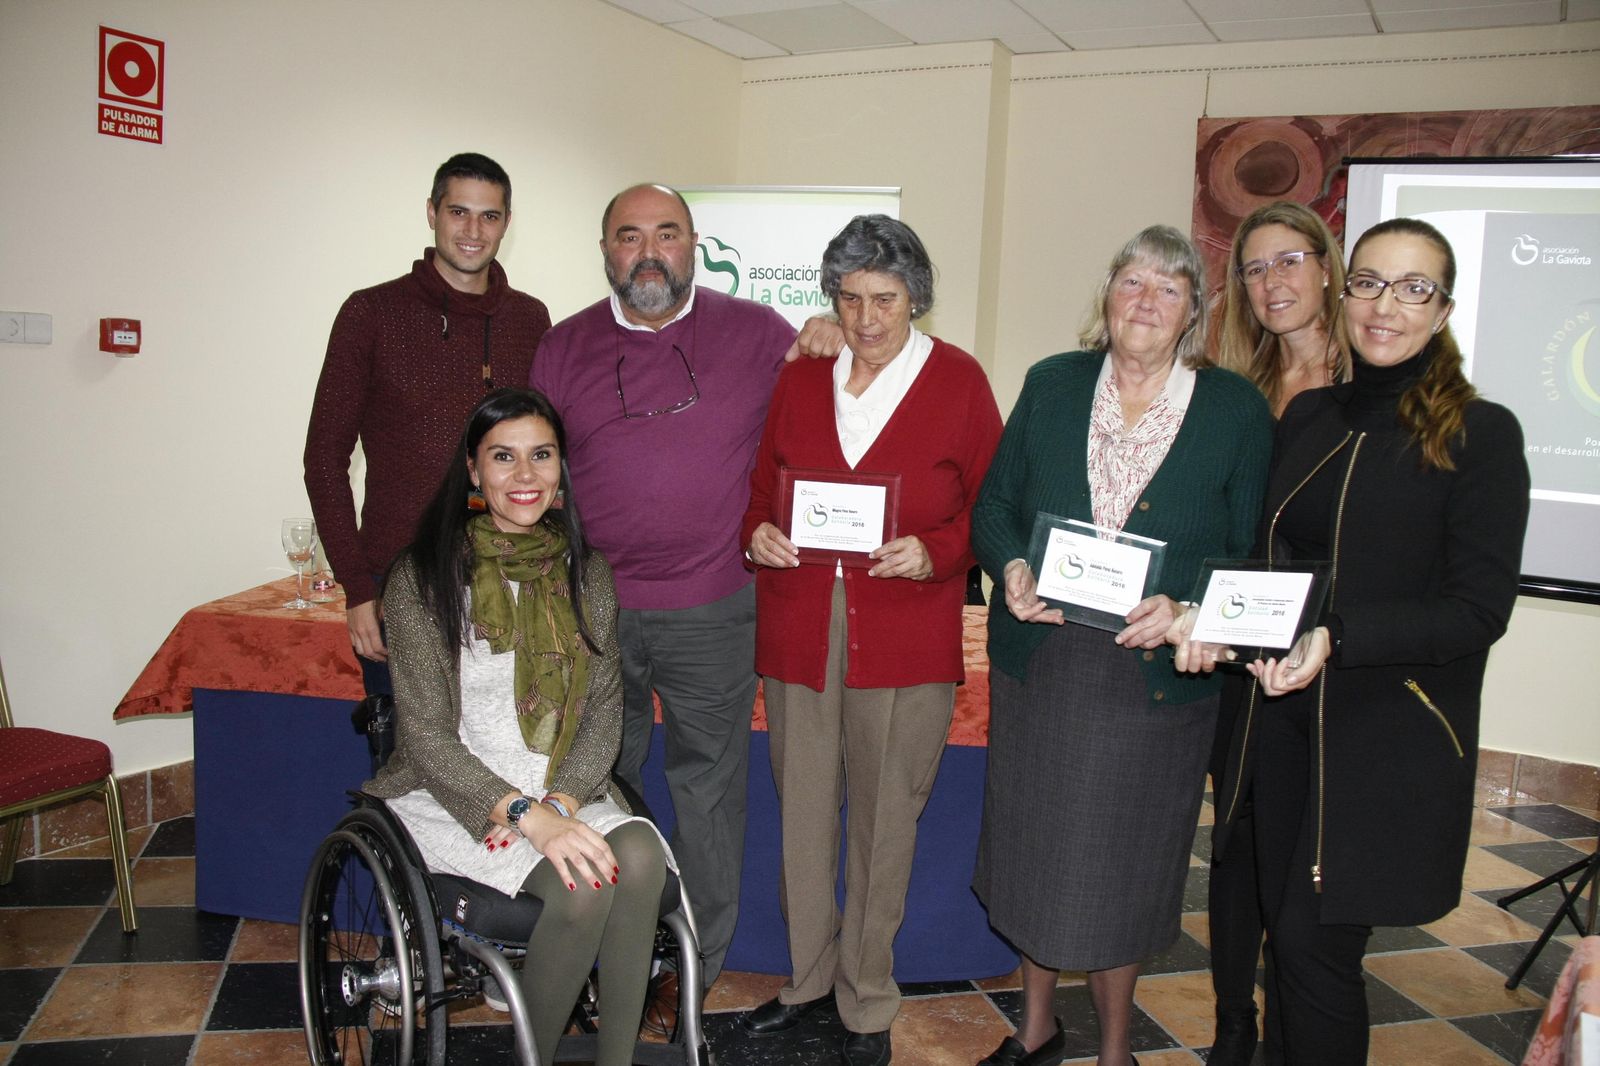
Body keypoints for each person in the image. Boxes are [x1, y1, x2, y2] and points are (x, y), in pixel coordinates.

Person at [1185, 217, 1530, 1064]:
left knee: (1313, 948)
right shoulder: (1308, 413)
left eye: (1414, 289)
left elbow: (1478, 609)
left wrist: (1338, 635)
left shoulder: (1481, 436)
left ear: (1443, 308)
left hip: (1385, 739)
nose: (1386, 307)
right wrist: (1214, 621)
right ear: (1345, 292)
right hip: (1280, 726)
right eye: (1371, 283)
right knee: (1285, 936)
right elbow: (1272, 563)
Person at [970, 225, 1272, 1066]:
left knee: (1125, 868)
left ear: (1194, 313)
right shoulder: (1054, 383)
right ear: (1106, 295)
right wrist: (1016, 566)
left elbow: (1249, 546)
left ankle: (1112, 1050)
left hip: (1156, 684)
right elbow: (994, 506)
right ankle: (1034, 1030)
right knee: (1033, 851)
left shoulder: (1235, 408)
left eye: (1168, 288)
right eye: (1132, 281)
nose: (1145, 300)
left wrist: (1187, 601)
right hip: (1046, 664)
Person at [738, 216, 1003, 1066]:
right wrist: (760, 536)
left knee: (887, 821)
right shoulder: (803, 376)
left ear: (914, 298)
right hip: (801, 626)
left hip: (903, 631)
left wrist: (940, 551)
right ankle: (807, 980)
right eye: (848, 299)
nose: (866, 318)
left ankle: (865, 998)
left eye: (884, 299)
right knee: (804, 815)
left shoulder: (958, 380)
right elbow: (758, 490)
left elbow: (992, 510)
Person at [530, 183, 798, 986]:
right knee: (603, 786)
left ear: (694, 244)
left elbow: (825, 420)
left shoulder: (760, 334)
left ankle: (695, 968)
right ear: (605, 249)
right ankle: (623, 952)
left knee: (709, 794)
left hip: (713, 608)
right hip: (594, 613)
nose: (648, 252)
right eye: (628, 236)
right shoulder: (563, 346)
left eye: (667, 234)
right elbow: (530, 472)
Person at [364, 387, 670, 1066]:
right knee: (585, 884)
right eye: (504, 457)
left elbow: (603, 711)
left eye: (542, 456)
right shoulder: (421, 578)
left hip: (561, 783)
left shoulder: (587, 575)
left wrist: (561, 803)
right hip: (461, 791)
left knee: (642, 860)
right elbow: (425, 737)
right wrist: (529, 816)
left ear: (562, 468)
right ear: (473, 469)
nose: (525, 476)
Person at [304, 152, 551, 696]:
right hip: (403, 585)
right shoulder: (370, 314)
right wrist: (357, 588)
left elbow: (544, 455)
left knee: (507, 760)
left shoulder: (530, 320)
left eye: (489, 216)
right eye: (458, 212)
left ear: (507, 223)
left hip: (511, 585)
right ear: (432, 213)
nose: (472, 230)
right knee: (407, 767)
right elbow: (324, 461)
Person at [1204, 200, 1350, 1064]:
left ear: (1326, 267)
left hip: (1325, 663)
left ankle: (1295, 1025)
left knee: (1299, 859)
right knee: (1234, 844)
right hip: (1238, 657)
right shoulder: (1238, 393)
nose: (1272, 283)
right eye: (1254, 269)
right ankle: (1233, 1024)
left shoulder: (1371, 387)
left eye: (1288, 261)